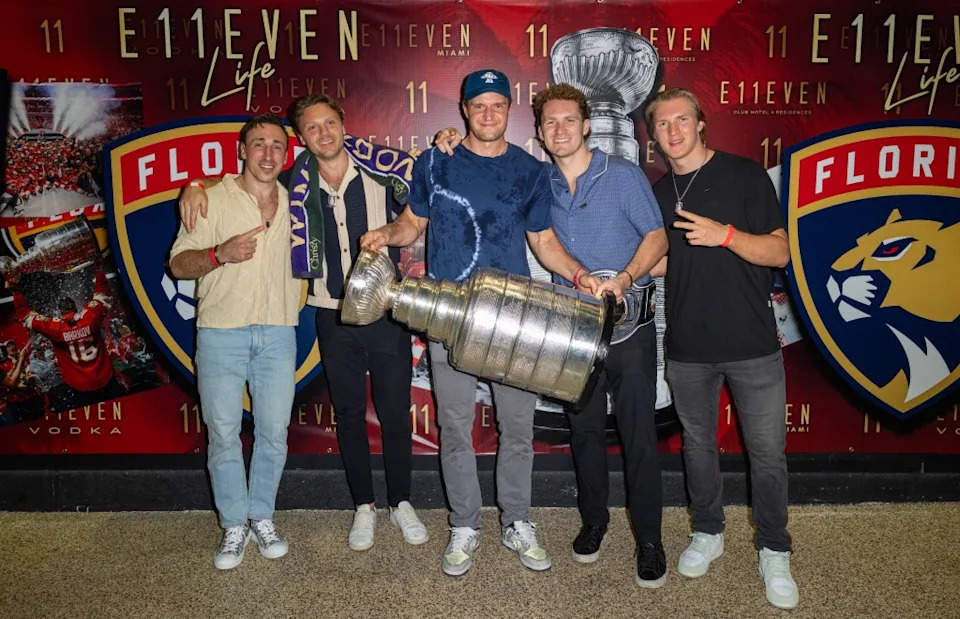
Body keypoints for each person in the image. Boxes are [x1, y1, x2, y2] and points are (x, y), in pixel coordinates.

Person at [360, 69, 599, 577]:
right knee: (454, 426)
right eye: (478, 106)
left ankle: (517, 520)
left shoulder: (529, 172)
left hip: (512, 321)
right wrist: (386, 232)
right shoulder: (435, 162)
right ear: (464, 111)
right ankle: (465, 525)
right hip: (448, 318)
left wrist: (579, 275)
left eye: (497, 106)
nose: (488, 114)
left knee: (517, 428)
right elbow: (413, 224)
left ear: (508, 111)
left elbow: (544, 242)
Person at [178, 95, 428, 553]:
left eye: (330, 123)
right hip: (331, 313)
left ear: (343, 124)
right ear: (302, 139)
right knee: (350, 415)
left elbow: (426, 193)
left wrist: (393, 230)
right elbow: (244, 184)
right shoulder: (295, 183)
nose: (324, 133)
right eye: (312, 128)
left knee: (394, 413)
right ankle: (363, 508)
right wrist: (195, 184)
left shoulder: (381, 169)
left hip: (386, 308)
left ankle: (403, 503)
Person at [645, 87, 798, 609]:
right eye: (663, 124)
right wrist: (620, 275)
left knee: (768, 455)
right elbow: (672, 260)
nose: (674, 131)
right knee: (697, 447)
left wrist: (727, 234)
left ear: (701, 123)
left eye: (682, 120)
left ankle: (774, 547)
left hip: (752, 343)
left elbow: (779, 250)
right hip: (687, 347)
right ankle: (708, 531)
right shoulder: (661, 194)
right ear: (655, 136)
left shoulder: (745, 175)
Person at [169, 113, 298, 570]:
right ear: (242, 151)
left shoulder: (294, 201)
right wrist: (219, 253)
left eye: (277, 146)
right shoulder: (211, 199)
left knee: (274, 433)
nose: (268, 154)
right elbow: (178, 264)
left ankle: (260, 515)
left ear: (288, 154)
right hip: (221, 331)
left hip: (279, 331)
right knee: (223, 434)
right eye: (258, 144)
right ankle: (233, 525)